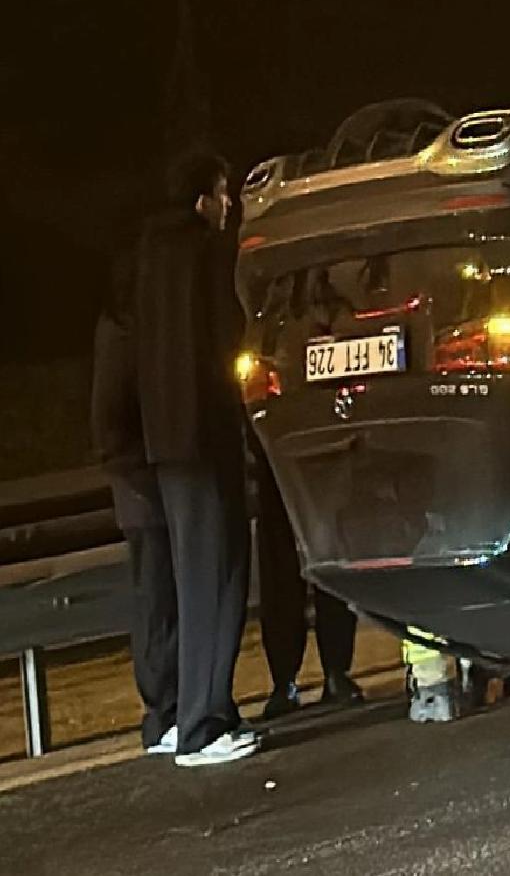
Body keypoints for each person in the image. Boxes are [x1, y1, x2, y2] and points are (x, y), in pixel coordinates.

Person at [133, 150, 258, 767]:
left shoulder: (148, 260)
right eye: (222, 192)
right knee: (219, 577)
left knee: (189, 579)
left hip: (164, 442)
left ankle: (186, 712)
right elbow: (224, 339)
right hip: (205, 436)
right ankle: (205, 725)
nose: (229, 203)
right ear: (201, 201)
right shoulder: (206, 255)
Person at [91, 248, 179, 756]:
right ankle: (161, 711)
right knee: (156, 601)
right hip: (144, 488)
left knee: (158, 600)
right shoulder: (124, 335)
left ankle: (165, 707)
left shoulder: (121, 331)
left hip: (143, 485)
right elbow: (110, 423)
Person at [254, 431, 364, 718]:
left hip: (322, 441)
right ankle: (285, 678)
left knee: (329, 555)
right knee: (282, 569)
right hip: (275, 444)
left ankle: (334, 670)